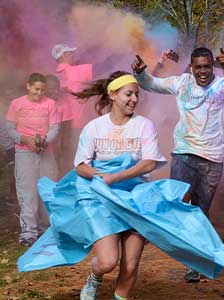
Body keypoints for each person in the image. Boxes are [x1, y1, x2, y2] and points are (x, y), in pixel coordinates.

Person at [131, 47, 224, 282]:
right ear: (191, 67)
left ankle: (196, 262)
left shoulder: (222, 84)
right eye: (198, 67)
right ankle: (180, 248)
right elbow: (151, 84)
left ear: (213, 66)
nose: (202, 71)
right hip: (184, 153)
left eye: (207, 66)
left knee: (200, 212)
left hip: (212, 157)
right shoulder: (182, 83)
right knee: (180, 205)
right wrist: (140, 74)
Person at [72, 71, 167, 300]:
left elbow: (150, 163)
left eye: (136, 94)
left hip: (136, 201)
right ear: (112, 94)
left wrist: (116, 177)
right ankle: (95, 277)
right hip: (104, 202)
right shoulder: (94, 128)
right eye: (128, 94)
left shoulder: (144, 125)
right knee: (107, 262)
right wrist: (100, 175)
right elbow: (80, 166)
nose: (134, 99)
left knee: (129, 266)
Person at [5, 73, 60, 246]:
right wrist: (25, 139)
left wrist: (44, 141)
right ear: (28, 86)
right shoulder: (17, 104)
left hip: (45, 152)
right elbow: (10, 129)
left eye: (43, 90)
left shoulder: (50, 104)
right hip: (24, 153)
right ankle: (29, 232)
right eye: (37, 89)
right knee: (27, 192)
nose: (40, 93)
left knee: (47, 190)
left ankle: (47, 229)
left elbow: (54, 128)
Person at [52, 43, 93, 173]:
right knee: (79, 159)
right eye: (70, 53)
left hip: (60, 124)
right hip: (76, 124)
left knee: (64, 157)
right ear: (64, 55)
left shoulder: (55, 75)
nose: (73, 55)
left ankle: (63, 183)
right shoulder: (73, 72)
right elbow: (103, 66)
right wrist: (119, 54)